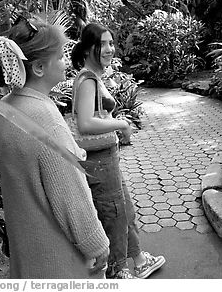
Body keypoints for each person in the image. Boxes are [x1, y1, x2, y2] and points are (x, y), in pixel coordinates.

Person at [0, 17, 110, 278]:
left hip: (28, 252)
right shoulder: (45, 118)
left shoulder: (3, 109)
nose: (66, 62)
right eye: (60, 57)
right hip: (59, 261)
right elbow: (71, 194)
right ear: (39, 67)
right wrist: (97, 244)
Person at [70, 22, 165, 279]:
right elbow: (86, 122)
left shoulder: (94, 78)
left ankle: (139, 260)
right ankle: (118, 271)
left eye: (111, 43)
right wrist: (122, 123)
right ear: (89, 49)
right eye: (103, 44)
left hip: (107, 158)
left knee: (125, 210)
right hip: (98, 161)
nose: (110, 49)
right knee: (113, 214)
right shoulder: (88, 79)